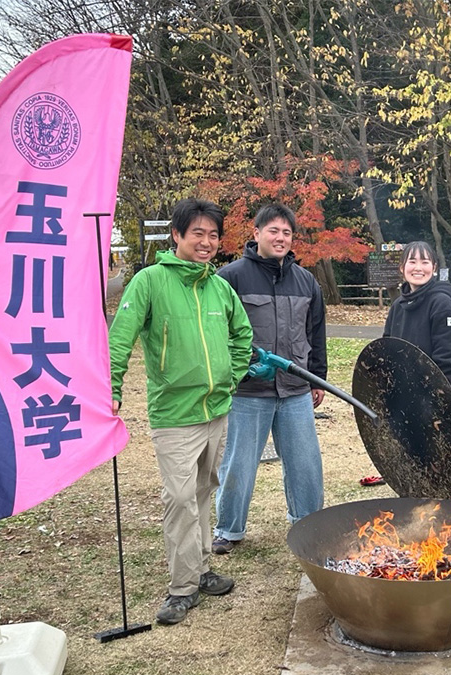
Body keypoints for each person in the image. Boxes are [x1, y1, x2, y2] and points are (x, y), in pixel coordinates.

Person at [108, 198, 253, 625]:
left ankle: (202, 568)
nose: (206, 242)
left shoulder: (218, 287)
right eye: (197, 234)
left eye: (213, 235)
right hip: (175, 415)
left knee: (204, 491)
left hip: (217, 410)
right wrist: (111, 386)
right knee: (179, 500)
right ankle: (182, 587)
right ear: (177, 235)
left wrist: (230, 378)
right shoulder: (150, 281)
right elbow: (121, 336)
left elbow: (242, 335)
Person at [212, 204, 327, 555]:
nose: (280, 238)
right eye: (273, 231)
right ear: (256, 233)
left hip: (295, 389)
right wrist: (235, 372)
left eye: (287, 233)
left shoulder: (306, 281)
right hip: (248, 391)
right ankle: (228, 529)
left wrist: (317, 378)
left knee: (305, 463)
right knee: (238, 462)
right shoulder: (230, 277)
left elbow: (316, 332)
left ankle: (309, 525)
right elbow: (218, 333)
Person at [383, 241, 451, 410]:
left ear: (434, 268)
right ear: (402, 267)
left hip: (435, 401)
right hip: (404, 397)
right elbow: (387, 350)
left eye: (425, 262)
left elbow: (450, 360)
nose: (418, 268)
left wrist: (440, 402)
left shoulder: (443, 304)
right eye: (412, 261)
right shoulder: (398, 306)